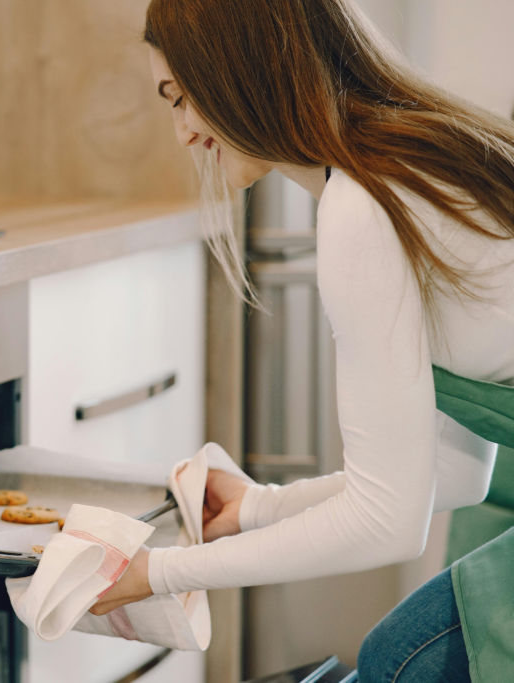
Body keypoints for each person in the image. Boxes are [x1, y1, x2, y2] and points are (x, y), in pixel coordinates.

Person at [88, 1, 514, 682]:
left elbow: (385, 519)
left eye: (182, 98)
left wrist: (156, 571)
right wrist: (257, 508)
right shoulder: (405, 160)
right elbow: (459, 472)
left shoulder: (363, 205)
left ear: (238, 72)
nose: (184, 132)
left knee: (402, 661)